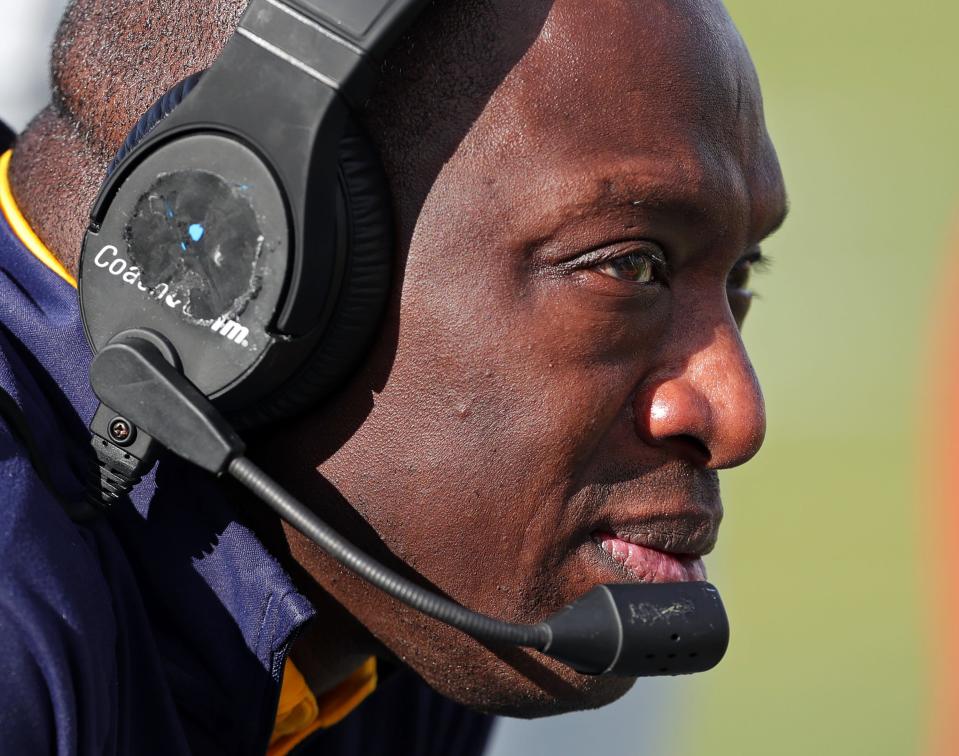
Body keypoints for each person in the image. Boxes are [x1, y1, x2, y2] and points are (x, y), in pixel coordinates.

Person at [0, 0, 787, 753]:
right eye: (629, 265)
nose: (734, 417)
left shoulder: (390, 603)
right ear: (248, 244)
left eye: (740, 275)